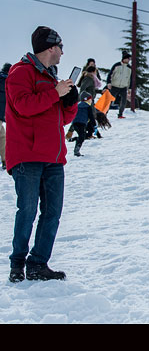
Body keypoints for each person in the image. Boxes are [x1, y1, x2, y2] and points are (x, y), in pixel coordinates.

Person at [6, 26, 78, 282]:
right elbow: (23, 106)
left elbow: (61, 119)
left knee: (52, 213)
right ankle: (17, 264)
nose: (62, 53)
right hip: (27, 155)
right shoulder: (20, 72)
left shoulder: (51, 78)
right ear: (50, 47)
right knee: (27, 210)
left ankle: (38, 264)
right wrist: (54, 93)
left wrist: (70, 102)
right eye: (60, 47)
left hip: (53, 157)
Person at [106, 51, 132, 119]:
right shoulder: (116, 65)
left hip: (124, 87)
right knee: (110, 100)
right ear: (124, 59)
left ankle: (120, 114)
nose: (129, 60)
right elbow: (110, 74)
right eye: (128, 59)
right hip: (115, 86)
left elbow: (130, 78)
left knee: (124, 101)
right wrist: (109, 83)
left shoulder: (129, 68)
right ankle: (105, 113)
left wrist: (130, 88)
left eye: (129, 59)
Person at [70, 91, 93, 156]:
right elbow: (91, 117)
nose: (91, 101)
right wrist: (94, 125)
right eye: (90, 99)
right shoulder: (88, 107)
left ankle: (75, 140)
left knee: (81, 136)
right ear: (87, 100)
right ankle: (76, 151)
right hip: (81, 124)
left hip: (75, 123)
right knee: (82, 137)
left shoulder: (77, 105)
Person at [0, 62, 9, 170]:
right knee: (2, 137)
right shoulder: (8, 81)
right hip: (1, 115)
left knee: (2, 136)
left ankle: (5, 160)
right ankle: (5, 160)